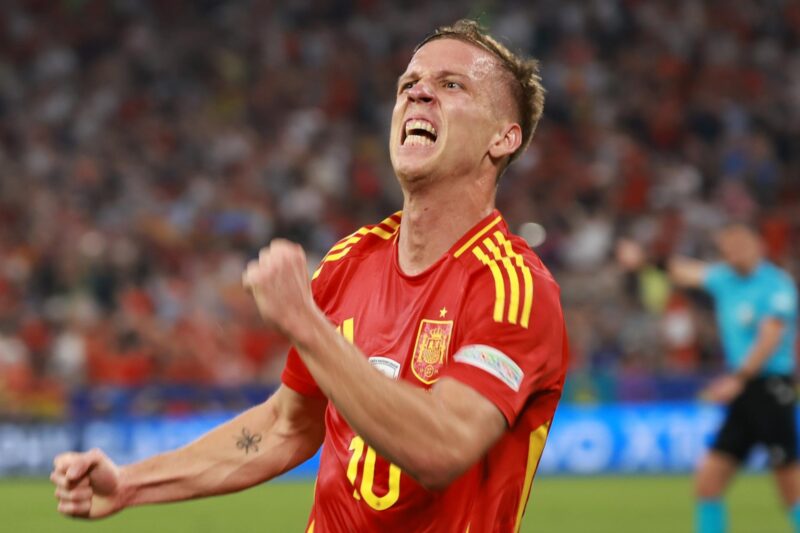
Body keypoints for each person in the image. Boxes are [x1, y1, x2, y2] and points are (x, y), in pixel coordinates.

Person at [50, 19, 568, 532]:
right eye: (408, 84)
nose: (419, 94)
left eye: (451, 84)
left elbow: (441, 449)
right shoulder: (352, 262)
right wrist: (131, 483)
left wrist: (305, 323)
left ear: (504, 138)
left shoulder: (514, 289)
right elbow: (285, 426)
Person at [617, 224, 799, 533]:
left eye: (739, 243)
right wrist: (642, 261)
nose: (732, 252)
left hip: (770, 388)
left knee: (790, 489)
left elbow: (770, 338)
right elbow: (681, 270)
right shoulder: (724, 278)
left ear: (758, 244)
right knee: (708, 484)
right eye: (726, 247)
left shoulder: (776, 284)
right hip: (744, 392)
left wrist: (738, 378)